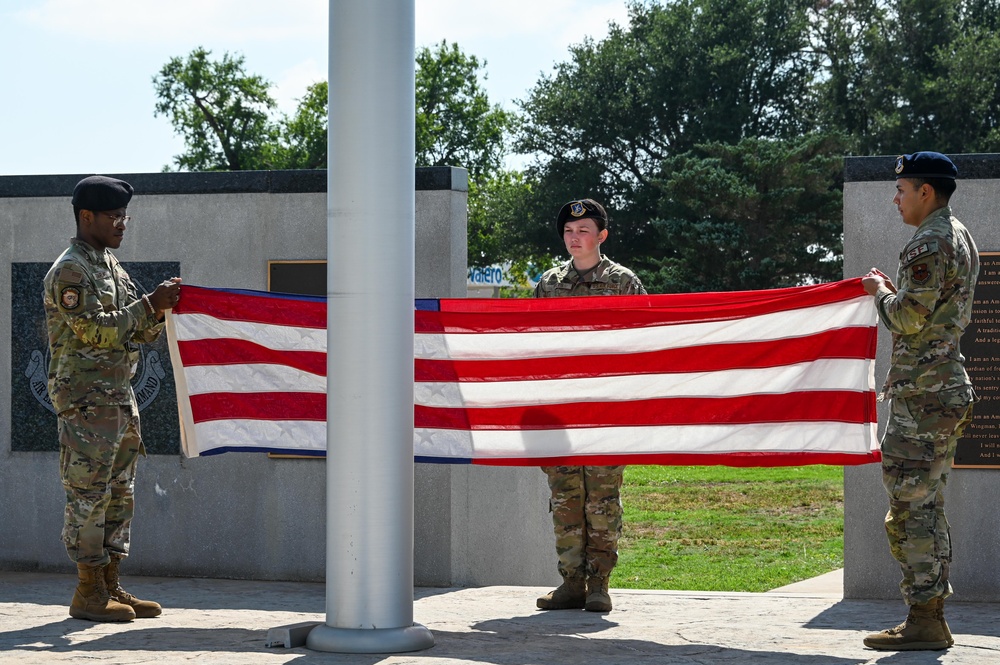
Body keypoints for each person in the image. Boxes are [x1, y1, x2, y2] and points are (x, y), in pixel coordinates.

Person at [43, 175, 182, 622]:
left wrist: (158, 309)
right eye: (114, 216)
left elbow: (135, 331)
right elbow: (97, 330)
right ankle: (87, 593)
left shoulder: (109, 266)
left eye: (125, 215)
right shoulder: (71, 270)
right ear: (87, 217)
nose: (123, 223)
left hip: (118, 400)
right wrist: (147, 305)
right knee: (88, 495)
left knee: (119, 495)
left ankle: (110, 585)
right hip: (86, 404)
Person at [860, 152, 978, 651]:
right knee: (925, 506)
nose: (896, 198)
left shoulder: (929, 241)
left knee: (910, 512)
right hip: (939, 390)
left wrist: (879, 291)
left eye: (902, 189)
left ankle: (925, 618)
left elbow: (909, 318)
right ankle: (929, 614)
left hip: (923, 397)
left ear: (925, 191)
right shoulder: (960, 234)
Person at [533, 198, 647, 613]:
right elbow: (533, 344)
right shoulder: (547, 284)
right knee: (565, 497)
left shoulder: (624, 282)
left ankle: (599, 584)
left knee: (601, 499)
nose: (574, 237)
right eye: (568, 231)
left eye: (583, 231)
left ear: (601, 236)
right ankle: (571, 583)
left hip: (605, 409)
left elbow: (643, 342)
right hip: (561, 410)